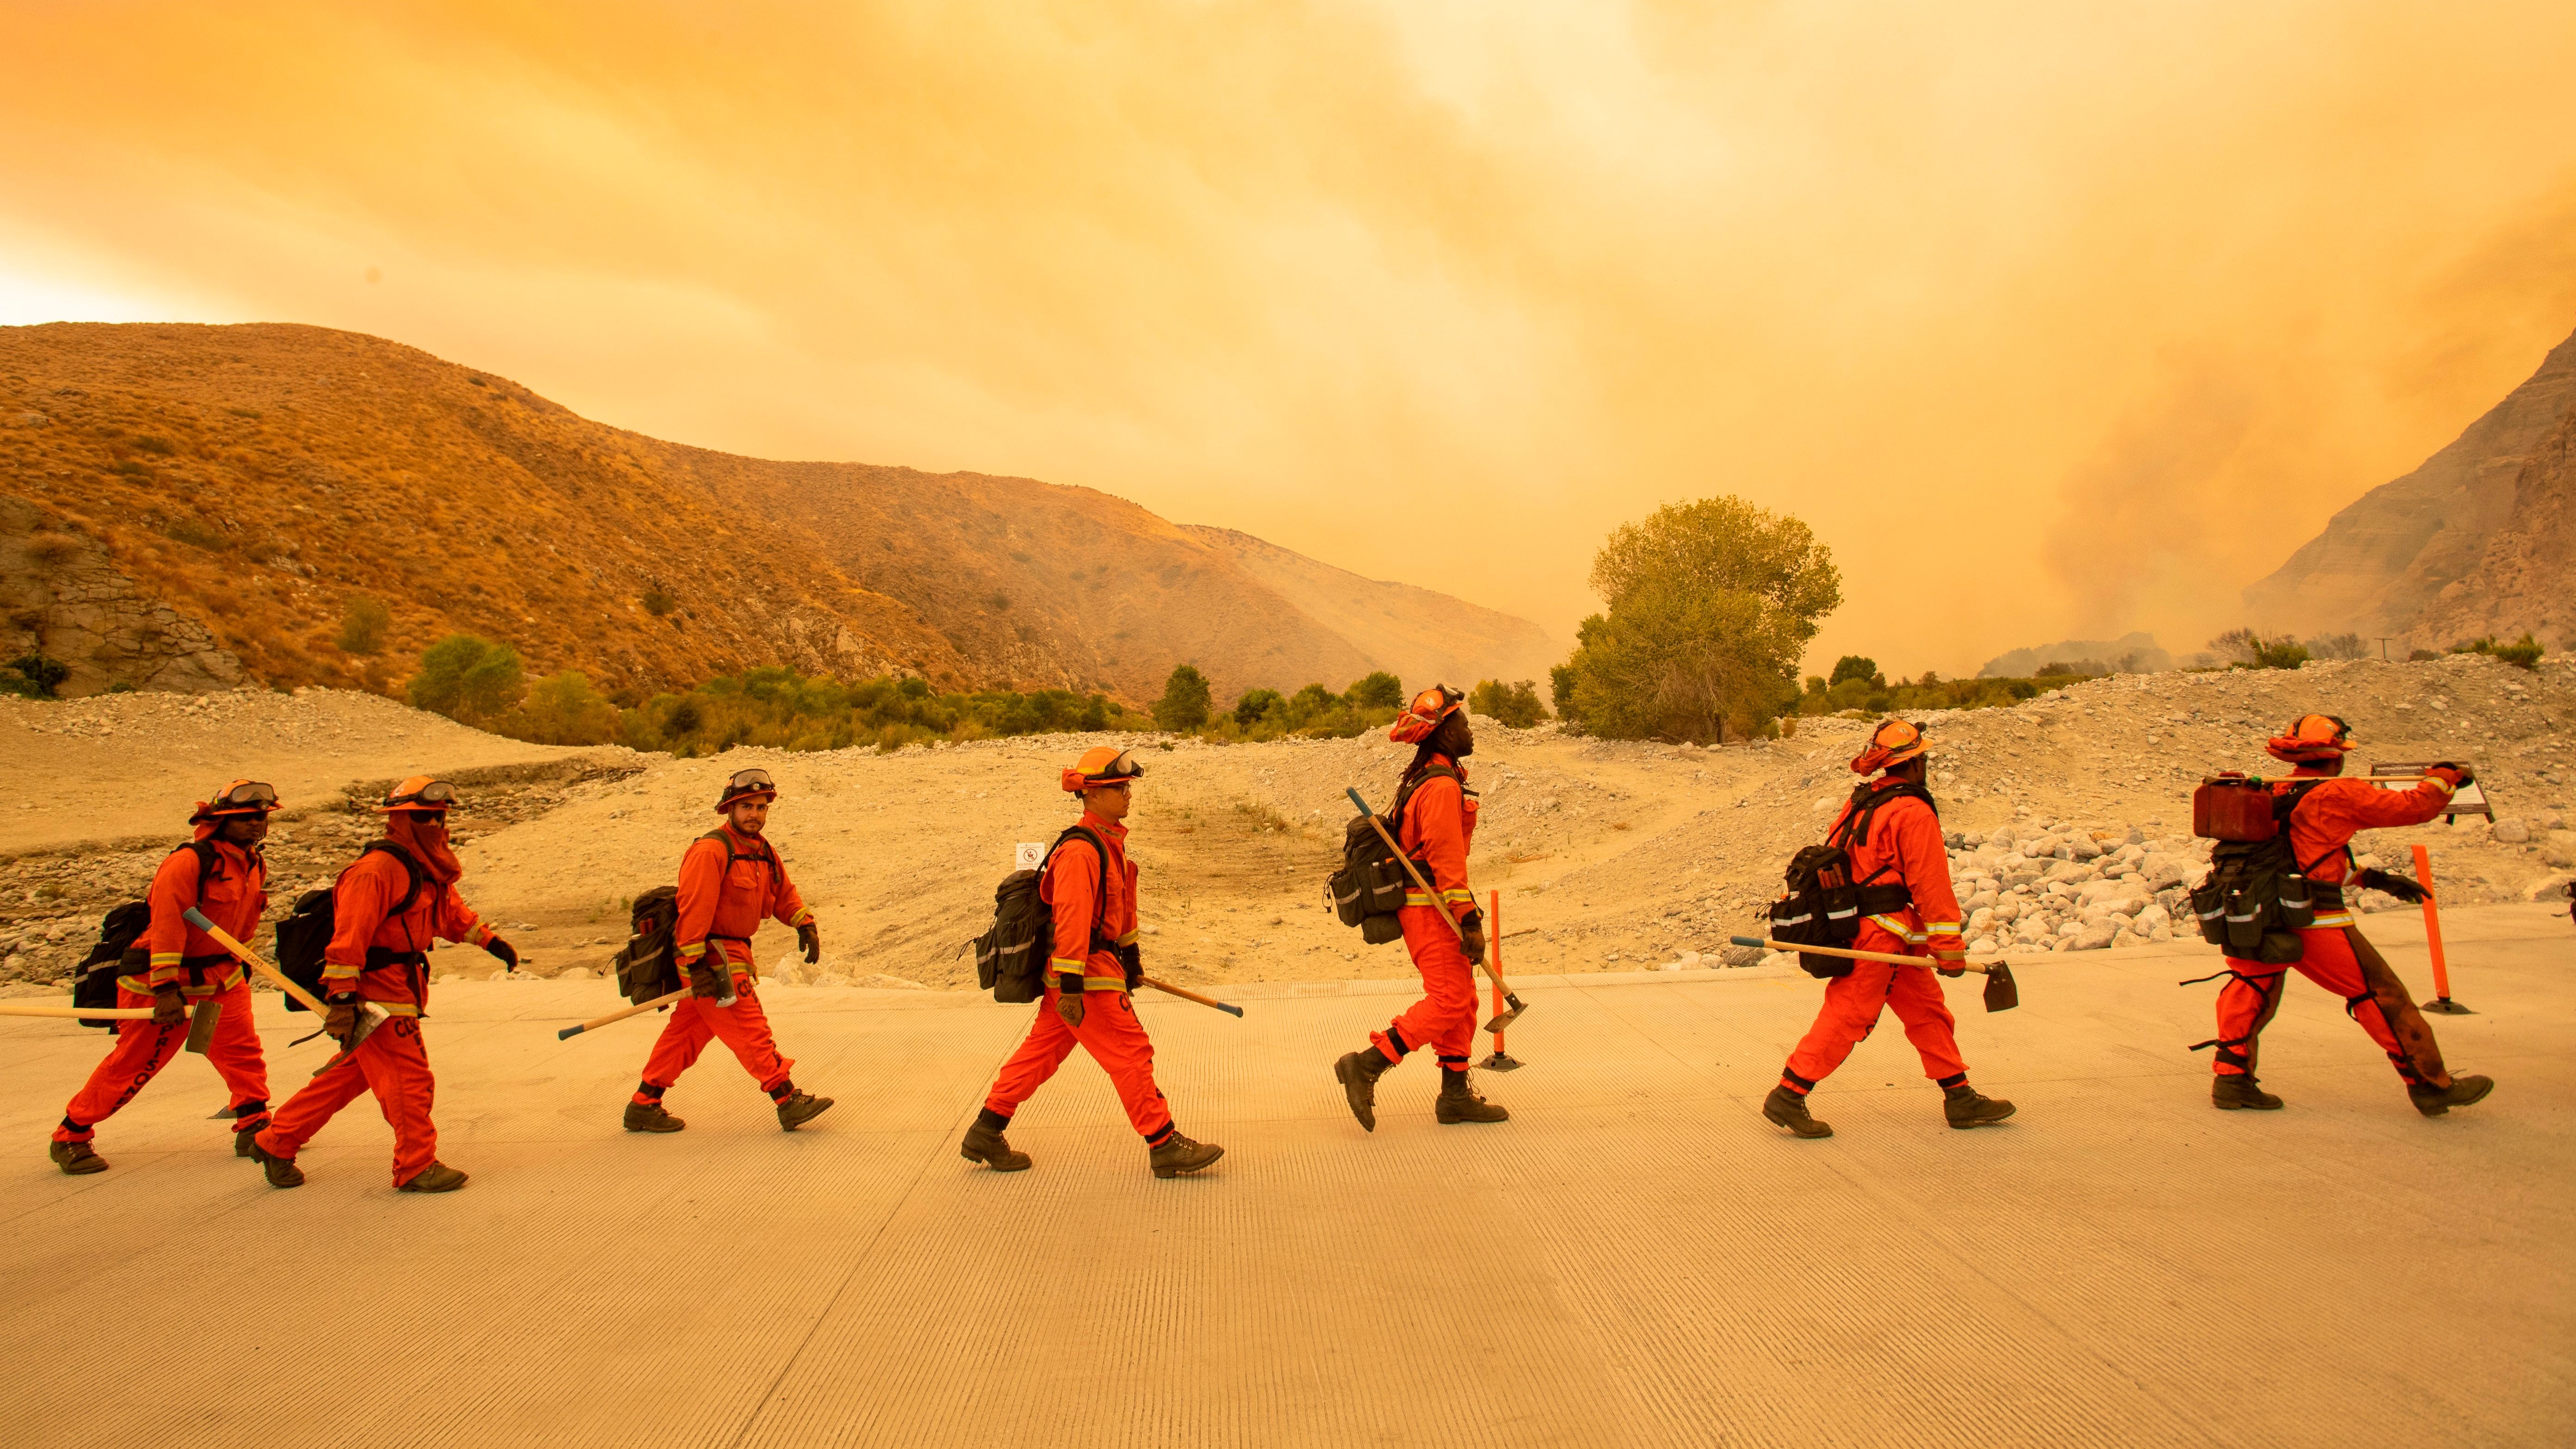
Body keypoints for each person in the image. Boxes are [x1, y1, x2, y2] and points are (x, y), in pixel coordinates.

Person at [2197, 714, 2493, 1116]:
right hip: (2312, 915)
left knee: (2251, 986)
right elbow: (2416, 807)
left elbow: (2299, 852)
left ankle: (2231, 1080)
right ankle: (2431, 1084)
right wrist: (2444, 777)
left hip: (2256, 909)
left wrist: (2372, 879)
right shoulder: (2339, 793)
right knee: (2380, 992)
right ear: (2336, 756)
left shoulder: (2274, 789)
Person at [961, 747, 1223, 1178]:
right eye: (1119, 788)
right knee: (1132, 1052)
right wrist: (1071, 989)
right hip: (1084, 971)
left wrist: (1133, 959)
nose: (1128, 795)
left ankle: (986, 1130)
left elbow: (1121, 910)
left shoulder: (1109, 842)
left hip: (1091, 967)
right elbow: (1072, 922)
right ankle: (1163, 1143)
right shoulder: (1083, 851)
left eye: (1127, 787)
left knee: (1040, 1053)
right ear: (1093, 796)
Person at [251, 777, 517, 1192]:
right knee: (411, 1079)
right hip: (378, 993)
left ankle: (277, 1139)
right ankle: (415, 1165)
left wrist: (490, 940)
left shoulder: (423, 867)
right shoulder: (375, 872)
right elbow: (348, 941)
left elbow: (449, 912)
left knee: (352, 1075)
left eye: (439, 816)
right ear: (399, 820)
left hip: (403, 987)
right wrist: (342, 1001)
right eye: (424, 816)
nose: (434, 823)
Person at [1762, 719, 2014, 1139]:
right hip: (1883, 934)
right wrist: (1949, 949)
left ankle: (1959, 1096)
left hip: (1879, 929)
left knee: (1926, 1010)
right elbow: (1930, 884)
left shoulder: (1863, 801)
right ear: (1915, 764)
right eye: (1923, 758)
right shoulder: (1912, 811)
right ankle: (1789, 1093)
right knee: (1849, 1013)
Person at [50, 780, 279, 1175]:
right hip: (161, 981)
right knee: (136, 1062)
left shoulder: (253, 863)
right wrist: (166, 989)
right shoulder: (189, 862)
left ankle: (253, 1122)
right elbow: (168, 926)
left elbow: (245, 922)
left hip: (221, 976)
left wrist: (240, 967)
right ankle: (71, 1134)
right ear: (220, 822)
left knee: (242, 1053)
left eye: (261, 817)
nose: (255, 824)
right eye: (244, 818)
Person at [1333, 685, 1509, 1132]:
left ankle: (1454, 1097)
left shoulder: (1429, 776)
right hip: (1432, 910)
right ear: (1445, 733)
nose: (1470, 730)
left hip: (1430, 905)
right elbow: (1446, 860)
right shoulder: (1440, 787)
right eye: (1463, 723)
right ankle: (1368, 1064)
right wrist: (1469, 920)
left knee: (1463, 1000)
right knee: (1449, 999)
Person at [622, 767, 833, 1133]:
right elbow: (694, 910)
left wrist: (805, 923)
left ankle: (644, 1104)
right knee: (751, 1029)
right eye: (747, 807)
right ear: (729, 810)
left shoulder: (762, 851)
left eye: (761, 807)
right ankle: (786, 1098)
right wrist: (697, 966)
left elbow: (784, 894)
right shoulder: (710, 851)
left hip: (732, 953)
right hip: (711, 958)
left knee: (686, 1035)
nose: (755, 814)